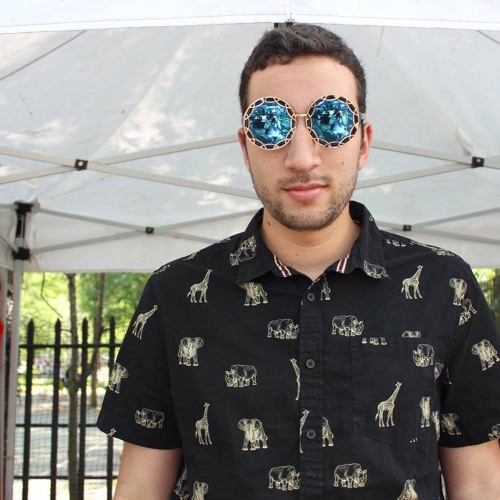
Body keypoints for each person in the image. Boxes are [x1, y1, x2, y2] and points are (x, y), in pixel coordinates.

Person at [97, 24, 500, 499]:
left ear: (363, 142)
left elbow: (480, 482)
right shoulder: (175, 294)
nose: (302, 158)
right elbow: (141, 487)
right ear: (245, 147)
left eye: (331, 121)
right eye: (270, 125)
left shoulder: (443, 285)